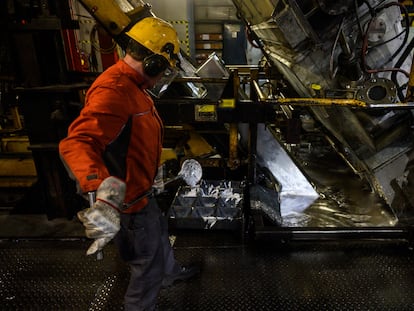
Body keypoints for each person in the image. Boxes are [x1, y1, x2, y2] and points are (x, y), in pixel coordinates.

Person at [59, 16, 199, 311]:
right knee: (146, 268)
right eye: (163, 70)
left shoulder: (133, 87)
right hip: (130, 206)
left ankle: (170, 274)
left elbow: (131, 140)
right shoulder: (115, 90)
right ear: (154, 64)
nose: (162, 77)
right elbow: (78, 143)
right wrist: (102, 193)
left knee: (160, 233)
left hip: (144, 194)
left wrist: (154, 175)